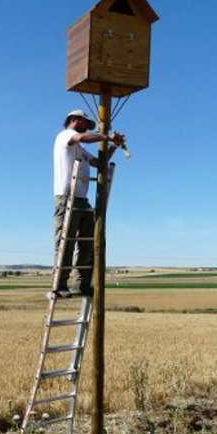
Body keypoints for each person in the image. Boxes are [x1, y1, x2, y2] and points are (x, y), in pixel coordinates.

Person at [52, 109, 126, 298]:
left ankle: (81, 284)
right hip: (66, 198)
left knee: (88, 242)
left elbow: (99, 162)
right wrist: (108, 137)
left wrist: (114, 146)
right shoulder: (65, 136)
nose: (86, 126)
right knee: (65, 243)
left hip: (81, 199)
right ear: (73, 120)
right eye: (84, 122)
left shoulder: (80, 149)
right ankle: (59, 285)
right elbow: (81, 138)